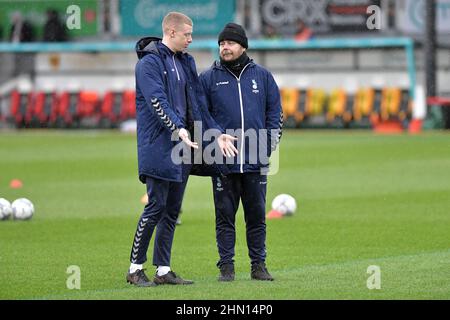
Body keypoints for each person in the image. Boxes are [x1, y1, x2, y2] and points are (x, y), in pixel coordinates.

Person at [127, 12, 237, 287]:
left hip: (184, 149)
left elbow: (198, 103)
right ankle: (134, 268)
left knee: (172, 211)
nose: (191, 39)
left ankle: (163, 270)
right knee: (155, 207)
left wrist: (216, 133)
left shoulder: (186, 62)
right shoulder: (149, 64)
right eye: (187, 34)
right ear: (171, 32)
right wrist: (178, 127)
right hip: (158, 146)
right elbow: (157, 101)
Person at [199, 23, 283, 282]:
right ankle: (226, 267)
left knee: (256, 216)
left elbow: (275, 114)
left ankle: (258, 266)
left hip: (256, 162)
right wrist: (213, 143)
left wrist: (268, 144)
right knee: (224, 217)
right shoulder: (208, 78)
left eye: (230, 43)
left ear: (243, 46)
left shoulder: (263, 77)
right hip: (222, 162)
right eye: (222, 43)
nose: (225, 47)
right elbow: (201, 116)